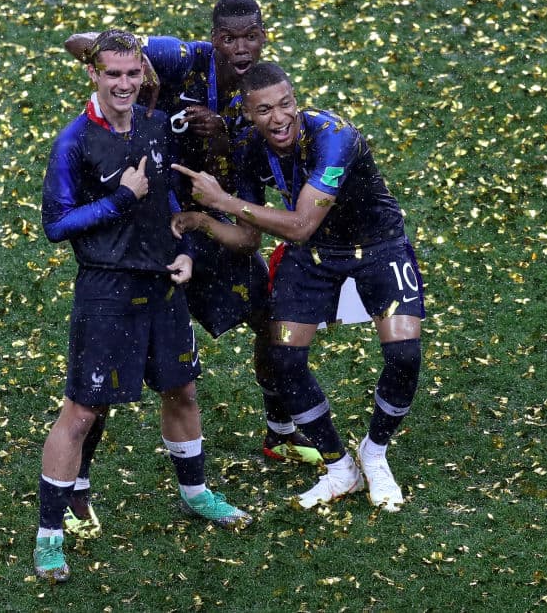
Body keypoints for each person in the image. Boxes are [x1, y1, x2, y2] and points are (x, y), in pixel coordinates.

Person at [60, 0, 320, 537]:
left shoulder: (259, 108)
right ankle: (75, 490)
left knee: (270, 325)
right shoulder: (180, 59)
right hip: (147, 230)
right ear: (213, 38)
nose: (241, 47)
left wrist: (221, 149)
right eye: (230, 37)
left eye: (251, 36)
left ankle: (279, 431)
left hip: (206, 227)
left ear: (265, 37)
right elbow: (81, 44)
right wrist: (139, 78)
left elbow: (248, 237)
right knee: (110, 370)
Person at [34, 29, 250, 583]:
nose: (125, 84)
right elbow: (56, 225)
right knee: (82, 410)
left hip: (163, 286)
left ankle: (196, 493)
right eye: (114, 74)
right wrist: (121, 199)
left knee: (182, 390)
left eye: (134, 74)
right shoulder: (74, 142)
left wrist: (184, 253)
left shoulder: (156, 128)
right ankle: (49, 537)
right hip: (106, 291)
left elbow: (173, 201)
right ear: (94, 74)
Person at [172, 61, 425, 513]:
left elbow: (301, 224)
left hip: (378, 245)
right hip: (314, 257)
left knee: (404, 355)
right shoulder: (249, 144)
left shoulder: (335, 138)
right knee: (282, 357)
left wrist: (224, 201)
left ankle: (375, 453)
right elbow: (249, 237)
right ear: (249, 113)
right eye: (265, 109)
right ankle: (339, 466)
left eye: (286, 103)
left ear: (296, 100)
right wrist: (203, 220)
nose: (279, 117)